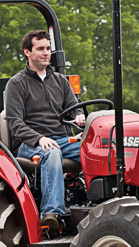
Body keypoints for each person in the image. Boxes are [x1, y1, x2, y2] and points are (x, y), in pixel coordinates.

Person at [5, 29, 85, 234]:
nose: (45, 53)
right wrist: (39, 139)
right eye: (40, 49)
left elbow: (73, 107)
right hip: (29, 144)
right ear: (27, 52)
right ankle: (51, 214)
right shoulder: (17, 84)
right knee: (52, 152)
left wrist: (78, 116)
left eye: (48, 49)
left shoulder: (60, 80)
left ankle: (101, 203)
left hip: (61, 139)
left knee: (95, 149)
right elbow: (14, 122)